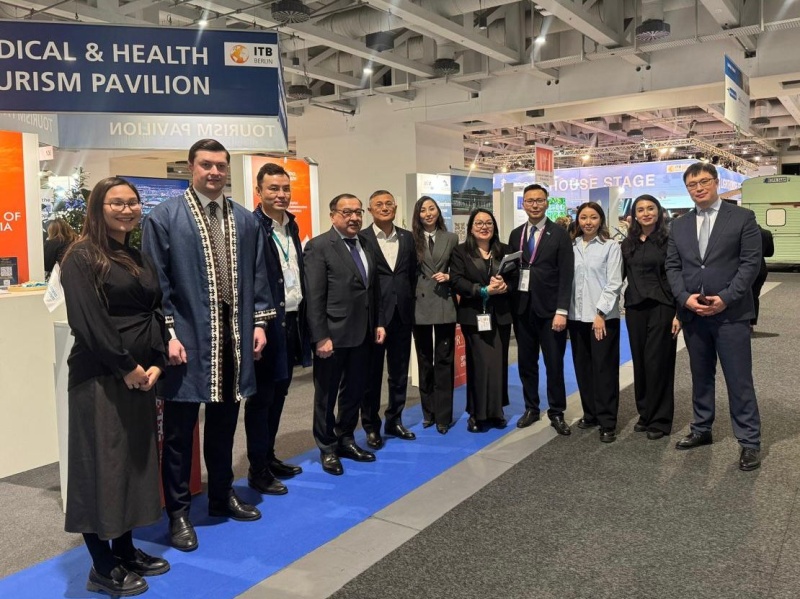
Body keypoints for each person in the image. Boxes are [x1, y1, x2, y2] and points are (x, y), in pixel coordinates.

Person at [142, 139, 274, 552]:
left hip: (233, 337)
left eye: (220, 165)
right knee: (179, 433)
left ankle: (220, 494)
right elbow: (155, 282)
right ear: (190, 167)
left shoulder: (244, 220)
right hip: (186, 337)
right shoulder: (164, 217)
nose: (214, 172)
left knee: (224, 424)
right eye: (206, 165)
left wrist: (260, 322)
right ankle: (178, 513)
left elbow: (258, 274)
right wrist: (168, 334)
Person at [61, 177, 169, 597]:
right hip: (101, 376)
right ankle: (102, 565)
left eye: (133, 202)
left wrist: (156, 362)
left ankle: (123, 549)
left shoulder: (134, 255)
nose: (127, 209)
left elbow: (154, 310)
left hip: (140, 376)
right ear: (98, 208)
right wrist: (126, 366)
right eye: (117, 203)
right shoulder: (81, 256)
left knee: (130, 466)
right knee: (98, 468)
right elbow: (88, 321)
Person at [665, 162, 763, 471]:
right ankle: (701, 428)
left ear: (716, 182)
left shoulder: (742, 218)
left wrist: (726, 298)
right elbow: (673, 266)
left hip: (731, 314)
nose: (699, 188)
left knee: (739, 379)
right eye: (692, 185)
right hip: (695, 314)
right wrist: (685, 298)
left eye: (704, 181)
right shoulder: (678, 225)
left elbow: (751, 263)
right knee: (701, 376)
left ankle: (749, 441)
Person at [303, 193, 385, 475]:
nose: (354, 217)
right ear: (333, 216)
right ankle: (327, 448)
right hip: (332, 336)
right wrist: (320, 336)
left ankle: (346, 438)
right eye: (347, 212)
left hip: (363, 333)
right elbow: (314, 297)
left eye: (358, 212)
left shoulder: (366, 244)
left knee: (354, 391)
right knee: (326, 396)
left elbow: (373, 289)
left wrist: (378, 322)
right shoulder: (319, 247)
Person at [245, 162, 312, 496]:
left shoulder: (291, 226)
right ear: (259, 191)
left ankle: (268, 457)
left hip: (291, 321)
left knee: (280, 394)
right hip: (265, 323)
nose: (281, 194)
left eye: (285, 188)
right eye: (273, 188)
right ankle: (257, 470)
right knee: (262, 399)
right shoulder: (252, 226)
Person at [508, 184, 573, 436]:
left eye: (539, 200)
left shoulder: (559, 234)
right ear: (523, 204)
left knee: (554, 363)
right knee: (526, 363)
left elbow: (566, 275)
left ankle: (556, 411)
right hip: (522, 310)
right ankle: (531, 408)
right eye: (529, 201)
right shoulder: (516, 234)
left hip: (551, 312)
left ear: (547, 203)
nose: (534, 205)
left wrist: (562, 310)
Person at [360, 190, 417, 449]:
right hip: (374, 318)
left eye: (389, 204)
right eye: (379, 204)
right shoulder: (361, 239)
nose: (384, 208)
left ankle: (394, 419)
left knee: (399, 373)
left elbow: (411, 274)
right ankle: (371, 426)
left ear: (395, 208)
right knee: (371, 375)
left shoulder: (407, 237)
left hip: (403, 315)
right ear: (370, 210)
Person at [449, 208, 515, 433]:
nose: (484, 227)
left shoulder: (505, 250)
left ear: (494, 226)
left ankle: (497, 412)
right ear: (470, 228)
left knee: (498, 364)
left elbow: (515, 278)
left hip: (500, 316)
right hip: (474, 316)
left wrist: (505, 286)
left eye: (488, 223)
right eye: (479, 223)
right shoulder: (460, 252)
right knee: (478, 365)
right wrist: (483, 290)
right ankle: (476, 414)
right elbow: (457, 281)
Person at [621, 195, 680, 441]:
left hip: (662, 307)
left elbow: (679, 276)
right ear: (634, 215)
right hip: (635, 308)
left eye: (650, 208)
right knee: (641, 362)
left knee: (659, 363)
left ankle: (660, 419)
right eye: (641, 209)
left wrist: (679, 312)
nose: (646, 213)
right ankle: (645, 413)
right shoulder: (628, 243)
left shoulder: (670, 241)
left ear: (659, 211)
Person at [568, 201, 623, 443]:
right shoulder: (571, 246)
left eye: (593, 217)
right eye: (583, 217)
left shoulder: (611, 246)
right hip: (576, 317)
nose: (588, 222)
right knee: (583, 368)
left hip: (602, 318)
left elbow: (614, 282)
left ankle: (607, 421)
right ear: (577, 220)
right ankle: (590, 413)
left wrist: (600, 313)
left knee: (604, 371)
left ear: (601, 220)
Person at [411, 196, 459, 434]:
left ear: (438, 212)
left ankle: (443, 416)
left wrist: (449, 277)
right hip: (419, 305)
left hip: (443, 302)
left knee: (444, 360)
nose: (428, 213)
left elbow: (458, 269)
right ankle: (428, 412)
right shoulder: (411, 239)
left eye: (432, 209)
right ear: (417, 214)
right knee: (424, 360)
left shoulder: (451, 238)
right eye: (423, 210)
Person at [751, 223, 774, 328]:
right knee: (754, 296)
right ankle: (752, 323)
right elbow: (770, 253)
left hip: (744, 268)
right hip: (761, 268)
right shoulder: (766, 233)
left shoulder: (742, 232)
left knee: (741, 296)